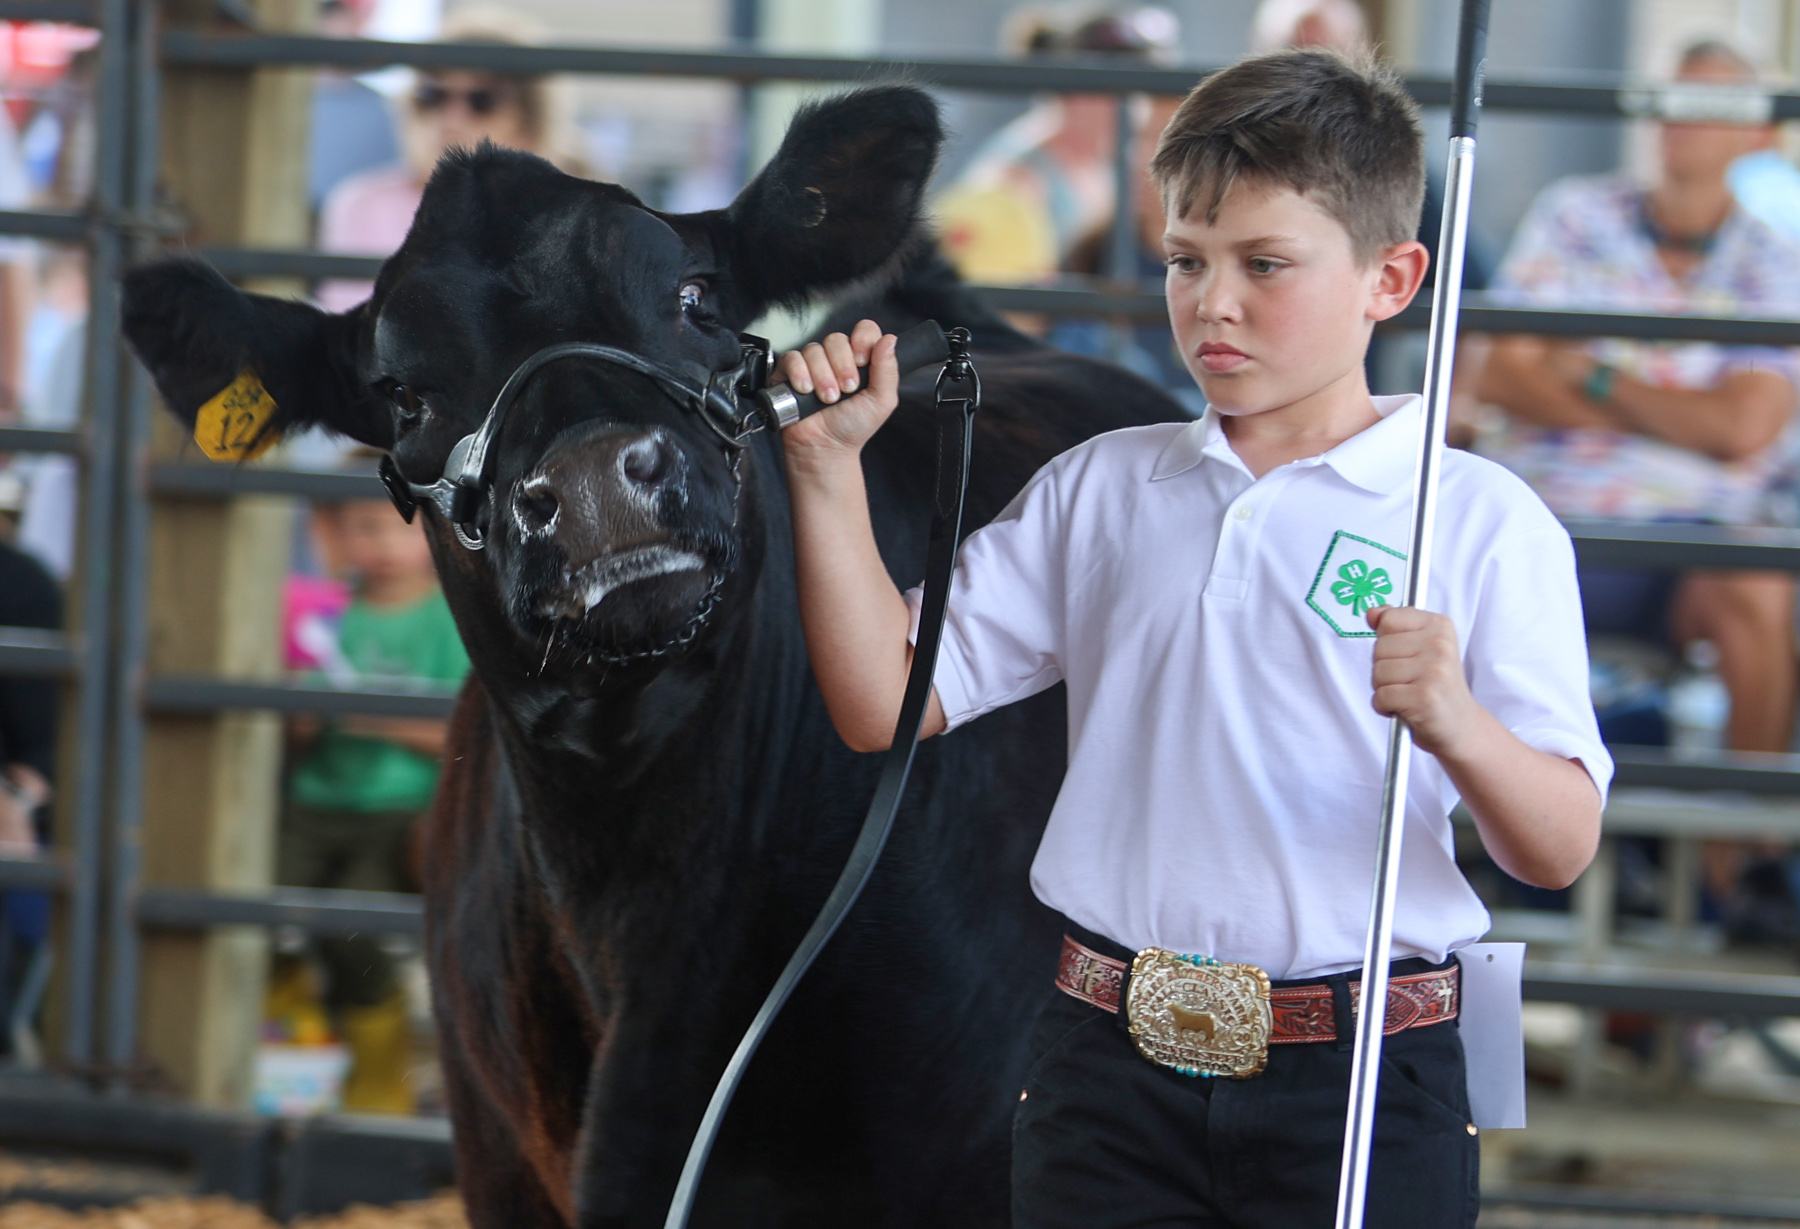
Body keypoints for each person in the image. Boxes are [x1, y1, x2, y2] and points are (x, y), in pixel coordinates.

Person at [778, 49, 1607, 1226]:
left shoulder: (1475, 516)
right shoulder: (1102, 486)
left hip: (1367, 1077)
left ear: (1392, 277)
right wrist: (825, 471)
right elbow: (884, 702)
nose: (1213, 302)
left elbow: (1558, 846)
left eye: (1265, 263)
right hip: (1106, 1069)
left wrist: (1460, 724)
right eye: (1186, 259)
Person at [1476, 40, 1800, 761]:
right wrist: (1684, 414)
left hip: (1693, 539)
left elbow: (1745, 426)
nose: (1679, 117)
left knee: (1759, 582)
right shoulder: (1576, 214)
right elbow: (1495, 372)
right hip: (1548, 513)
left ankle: (1750, 829)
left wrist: (1592, 374)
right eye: (1672, 97)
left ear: (1759, 133)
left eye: (1709, 102)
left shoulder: (1773, 259)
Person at [276, 488, 469, 1113]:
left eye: (400, 528)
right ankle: (295, 1037)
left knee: (356, 927)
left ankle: (379, 1065)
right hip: (314, 801)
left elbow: (462, 734)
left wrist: (373, 715)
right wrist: (302, 716)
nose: (385, 546)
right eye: (365, 528)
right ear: (333, 534)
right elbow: (296, 730)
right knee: (261, 907)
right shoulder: (328, 614)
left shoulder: (449, 617)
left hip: (399, 811)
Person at [936, 7, 1179, 284]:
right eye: (1127, 89)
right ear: (1076, 89)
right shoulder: (1015, 184)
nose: (1139, 106)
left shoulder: (1107, 169)